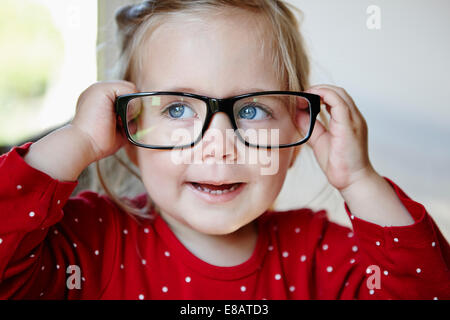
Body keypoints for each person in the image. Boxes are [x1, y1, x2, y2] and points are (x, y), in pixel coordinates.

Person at [0, 0, 448, 300]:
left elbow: (428, 288)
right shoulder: (93, 243)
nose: (219, 145)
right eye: (177, 109)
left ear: (297, 137)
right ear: (128, 133)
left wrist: (359, 180)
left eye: (252, 110)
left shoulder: (314, 255)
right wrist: (78, 142)